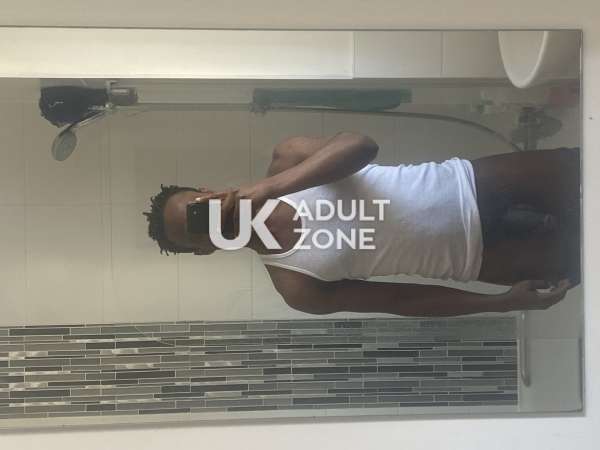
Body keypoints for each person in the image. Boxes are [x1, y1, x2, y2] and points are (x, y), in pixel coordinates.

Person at [143, 131, 581, 317]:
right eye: (198, 228)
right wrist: (501, 303)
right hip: (481, 258)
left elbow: (362, 146)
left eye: (198, 206)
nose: (211, 218)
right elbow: (403, 300)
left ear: (206, 191)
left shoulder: (287, 159)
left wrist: (269, 189)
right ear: (204, 249)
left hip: (475, 183)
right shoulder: (296, 286)